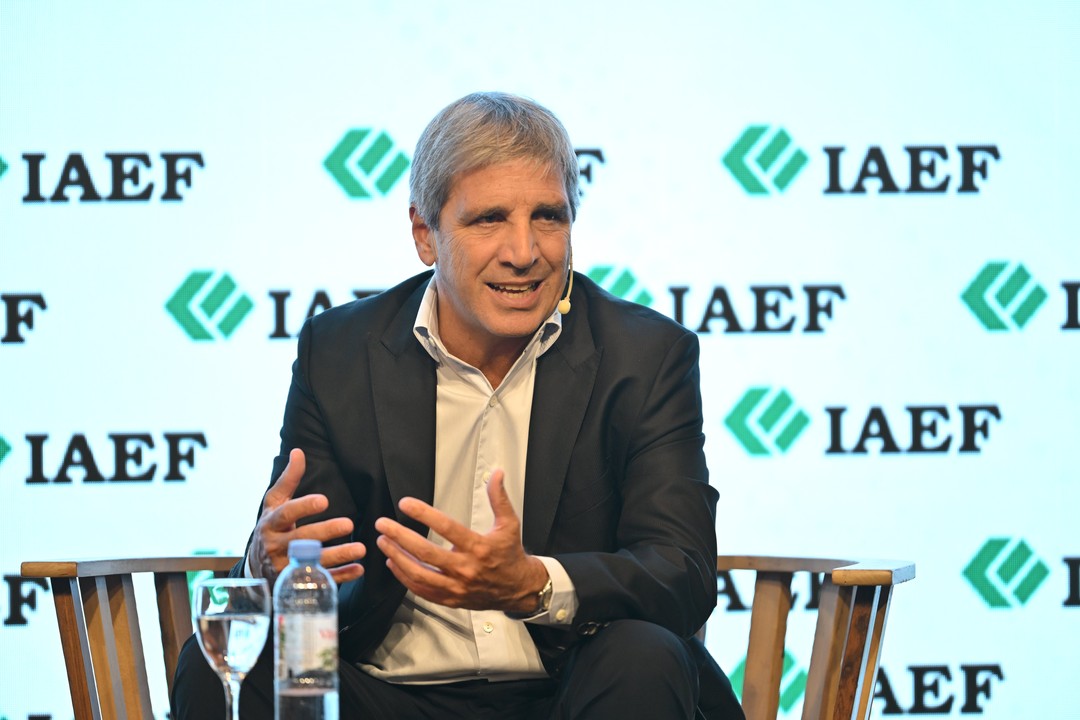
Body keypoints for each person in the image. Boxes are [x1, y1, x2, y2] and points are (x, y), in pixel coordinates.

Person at [172, 91, 743, 719]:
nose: (524, 252)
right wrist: (266, 567)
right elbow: (308, 549)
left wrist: (533, 585)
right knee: (221, 662)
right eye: (489, 219)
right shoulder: (339, 353)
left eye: (548, 217)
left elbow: (680, 571)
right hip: (386, 696)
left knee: (643, 655)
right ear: (425, 233)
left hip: (570, 690)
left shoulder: (645, 356)